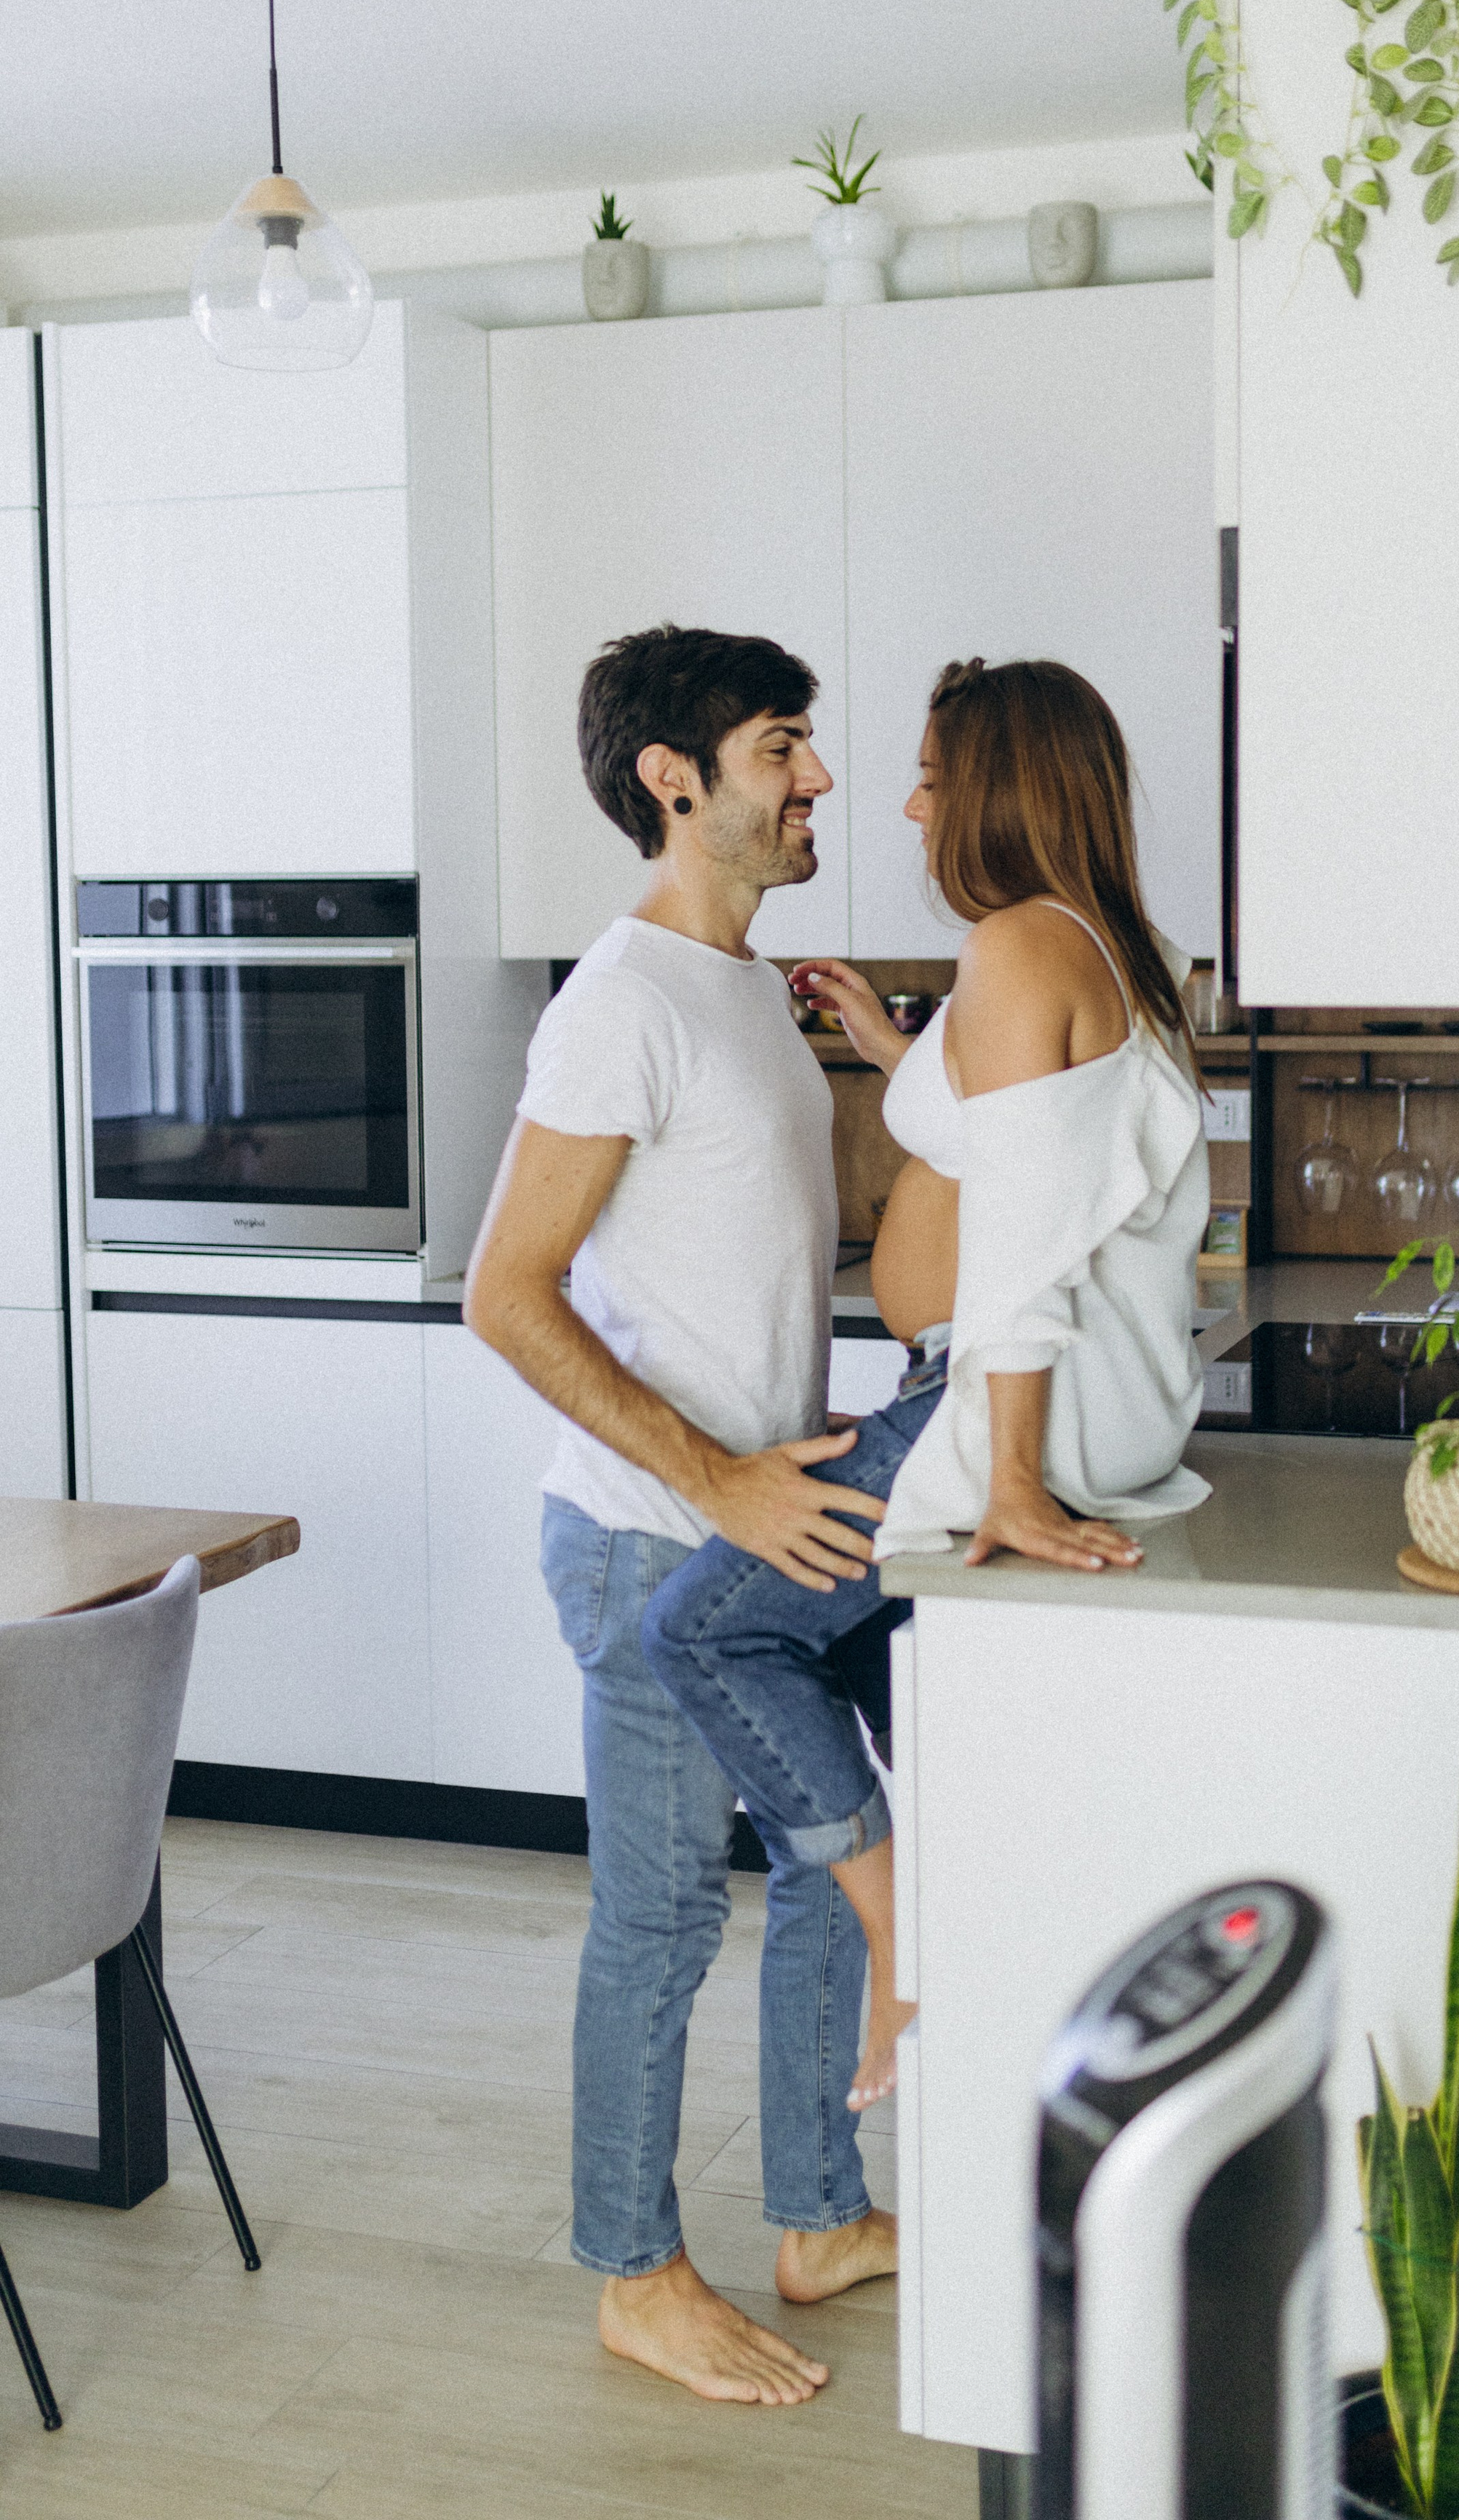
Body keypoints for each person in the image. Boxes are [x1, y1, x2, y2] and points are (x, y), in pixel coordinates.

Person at [641, 657, 1212, 2112]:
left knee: (705, 1625)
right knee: (857, 1657)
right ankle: (963, 1906)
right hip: (1031, 1394)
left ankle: (906, 1948)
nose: (903, 803)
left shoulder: (1022, 946)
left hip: (1000, 1395)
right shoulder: (1101, 945)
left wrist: (1001, 1473)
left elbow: (1019, 1246)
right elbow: (1028, 1148)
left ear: (999, 790)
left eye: (932, 776)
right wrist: (903, 1057)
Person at [463, 624, 898, 2409]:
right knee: (659, 1917)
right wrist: (713, 1471)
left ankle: (812, 2212)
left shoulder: (745, 989)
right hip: (652, 1540)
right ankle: (634, 2275)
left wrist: (791, 1431)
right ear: (674, 778)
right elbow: (510, 1291)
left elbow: (723, 1269)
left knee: (817, 1872)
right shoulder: (622, 1001)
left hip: (762, 1530)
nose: (815, 781)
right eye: (782, 747)